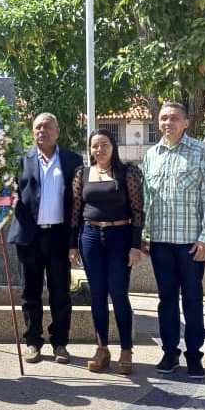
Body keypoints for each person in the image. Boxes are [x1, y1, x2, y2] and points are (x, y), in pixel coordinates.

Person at [141, 102, 205, 379]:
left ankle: (194, 355)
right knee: (166, 300)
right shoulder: (151, 155)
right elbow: (148, 200)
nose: (167, 123)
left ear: (186, 122)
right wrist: (145, 236)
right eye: (163, 118)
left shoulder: (199, 151)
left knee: (193, 300)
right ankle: (170, 351)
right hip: (160, 243)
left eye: (173, 118)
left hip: (190, 243)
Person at [9, 113, 84, 364]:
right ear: (32, 132)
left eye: (47, 126)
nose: (42, 130)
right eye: (38, 127)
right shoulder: (21, 160)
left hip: (59, 237)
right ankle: (32, 342)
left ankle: (60, 343)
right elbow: (10, 195)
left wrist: (75, 241)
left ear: (57, 131)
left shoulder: (73, 160)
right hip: (30, 237)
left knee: (60, 292)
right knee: (30, 293)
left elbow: (77, 203)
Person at [70, 129, 144, 374]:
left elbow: (138, 211)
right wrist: (73, 244)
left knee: (119, 294)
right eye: (94, 146)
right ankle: (102, 349)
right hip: (91, 238)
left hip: (120, 238)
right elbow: (75, 211)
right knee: (98, 295)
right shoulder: (82, 173)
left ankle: (126, 349)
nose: (99, 150)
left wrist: (135, 245)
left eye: (104, 145)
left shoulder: (128, 173)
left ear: (113, 146)